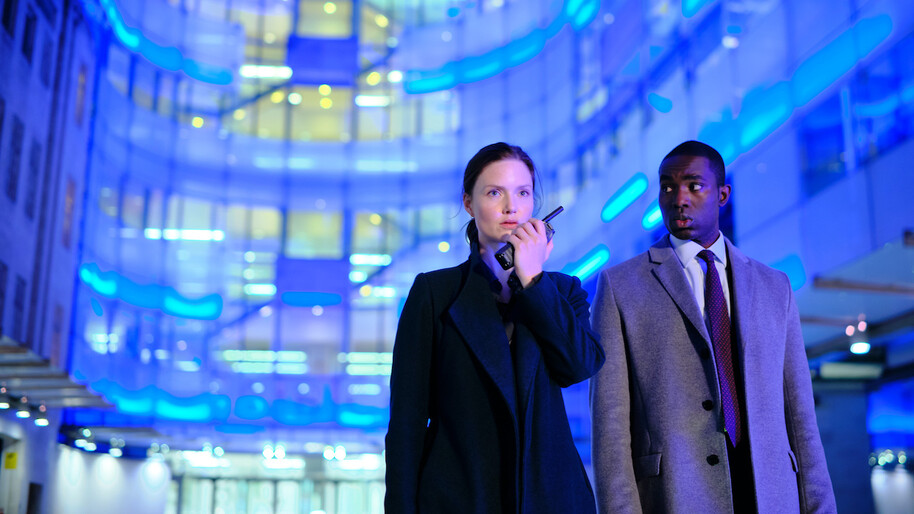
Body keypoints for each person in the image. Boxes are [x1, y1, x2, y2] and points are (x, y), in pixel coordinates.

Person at [590, 141, 837, 513]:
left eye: (693, 185)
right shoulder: (620, 287)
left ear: (722, 194)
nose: (678, 198)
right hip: (675, 495)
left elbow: (801, 416)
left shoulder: (774, 287)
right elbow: (610, 430)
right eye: (667, 186)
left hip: (771, 495)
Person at [385, 142, 605, 513]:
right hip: (460, 495)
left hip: (549, 496)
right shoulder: (435, 293)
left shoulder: (562, 290)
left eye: (523, 192)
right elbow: (406, 423)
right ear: (469, 204)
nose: (511, 207)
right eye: (494, 193)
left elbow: (579, 367)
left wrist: (533, 280)